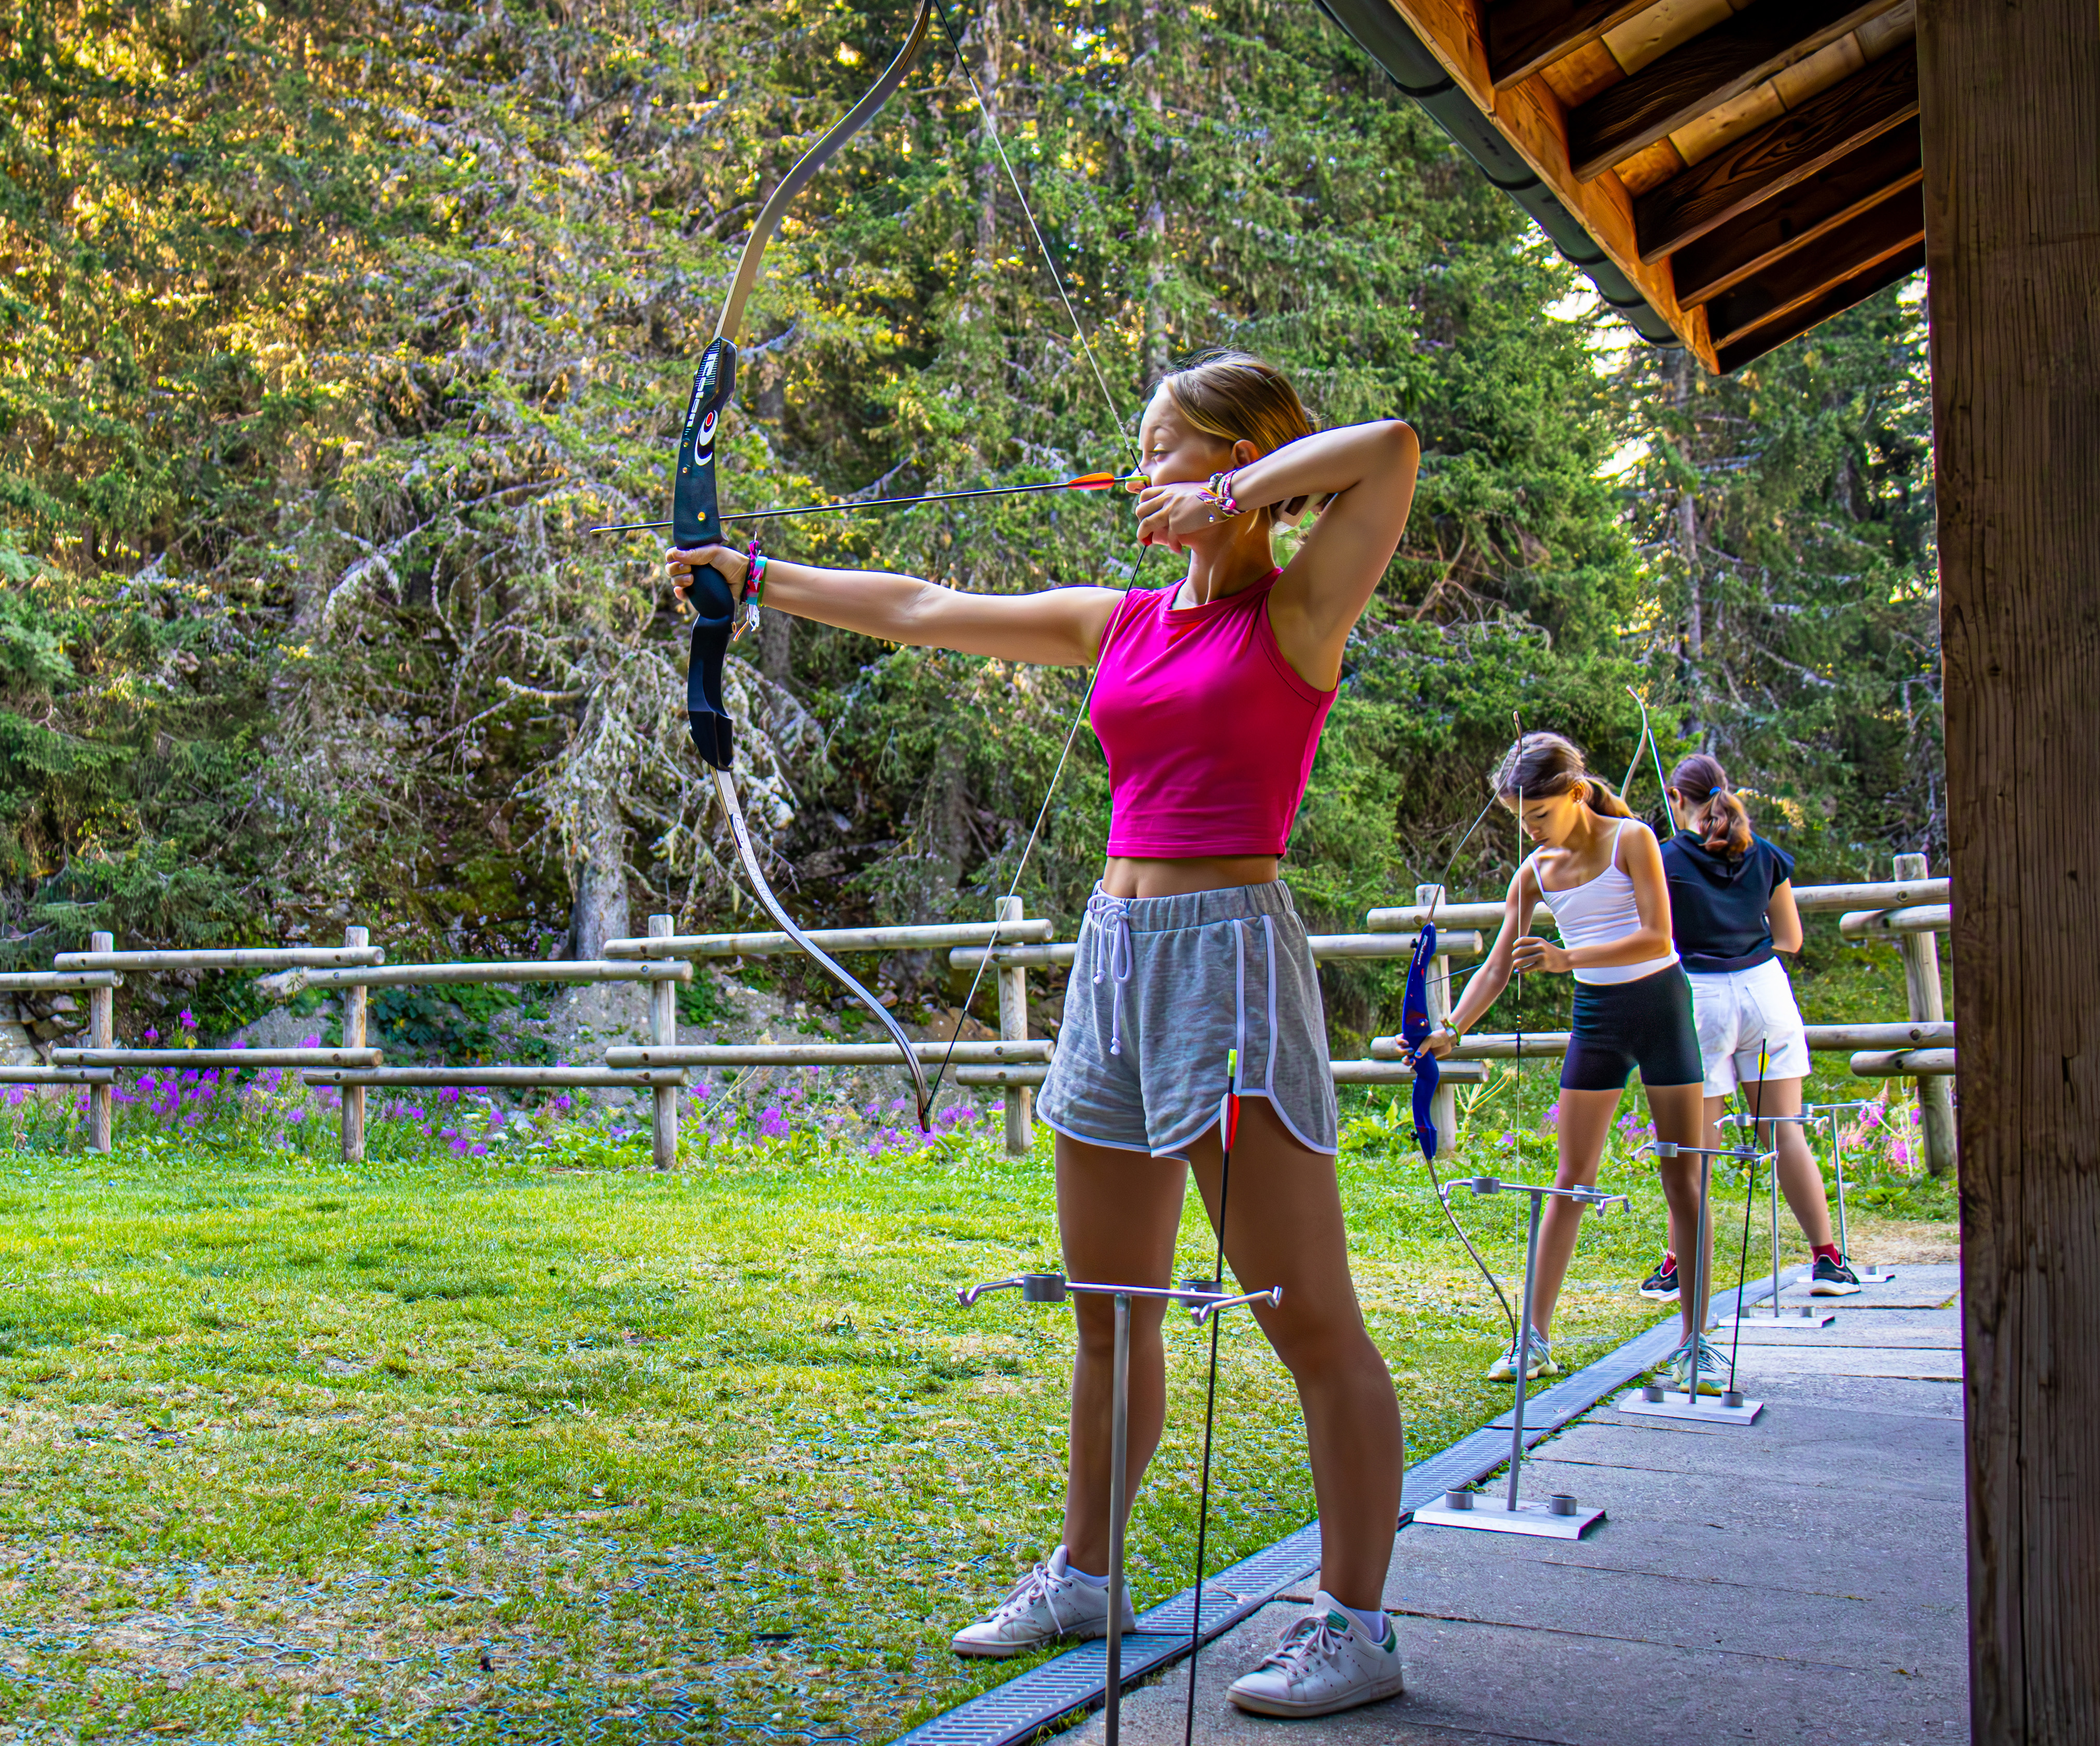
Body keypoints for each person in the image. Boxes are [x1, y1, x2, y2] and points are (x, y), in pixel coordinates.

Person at [667, 351, 1420, 1719]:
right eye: (1144, 452)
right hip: (1116, 956)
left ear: (1241, 461)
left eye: (1166, 451)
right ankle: (1085, 1572)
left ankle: (1356, 1622)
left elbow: (1395, 445)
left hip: (1228, 961)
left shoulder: (1300, 614)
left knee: (1307, 1318)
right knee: (1110, 1306)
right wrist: (754, 577)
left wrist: (1235, 495)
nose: (1143, 474)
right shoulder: (1123, 621)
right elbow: (923, 604)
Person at [1409, 733, 1728, 1394]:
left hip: (1661, 1008)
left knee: (1682, 1175)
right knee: (1569, 1179)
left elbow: (1656, 936)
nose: (1531, 832)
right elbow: (1496, 966)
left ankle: (1695, 1342)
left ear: (1575, 794)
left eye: (1539, 816)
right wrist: (1448, 1030)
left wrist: (1565, 958)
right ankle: (1533, 1338)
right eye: (1521, 821)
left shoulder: (1630, 839)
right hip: (1599, 1020)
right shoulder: (1533, 873)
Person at [1635, 755, 1861, 1299]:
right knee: (1784, 1130)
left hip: (1700, 998)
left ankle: (1676, 1267)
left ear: (1675, 798)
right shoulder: (1764, 855)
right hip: (1765, 992)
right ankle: (1827, 1260)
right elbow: (1789, 939)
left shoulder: (1664, 858)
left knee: (1693, 1147)